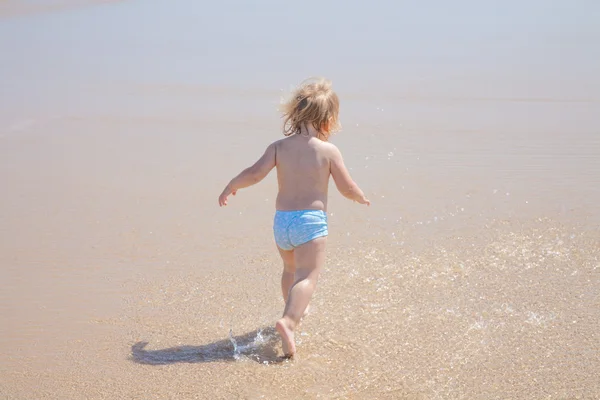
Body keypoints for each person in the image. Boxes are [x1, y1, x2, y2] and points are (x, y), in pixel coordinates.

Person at [218, 77, 370, 357]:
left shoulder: (279, 147)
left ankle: (294, 307)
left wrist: (231, 185)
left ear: (295, 113)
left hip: (282, 223)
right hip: (310, 222)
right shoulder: (328, 151)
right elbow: (346, 186)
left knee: (290, 270)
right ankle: (289, 321)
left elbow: (254, 173)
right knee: (308, 276)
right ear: (328, 121)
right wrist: (359, 196)